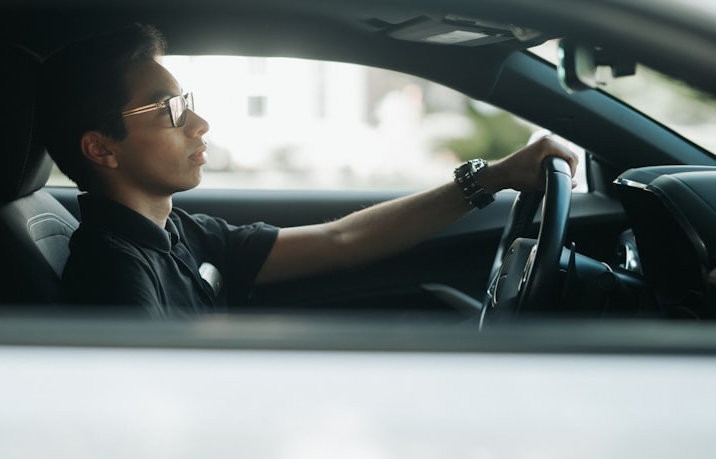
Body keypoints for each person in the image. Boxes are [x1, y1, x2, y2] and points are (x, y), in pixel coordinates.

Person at [37, 23, 578, 318]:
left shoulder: (178, 233)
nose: (199, 123)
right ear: (101, 149)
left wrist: (489, 179)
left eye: (189, 102)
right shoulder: (114, 275)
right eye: (171, 110)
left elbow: (339, 240)